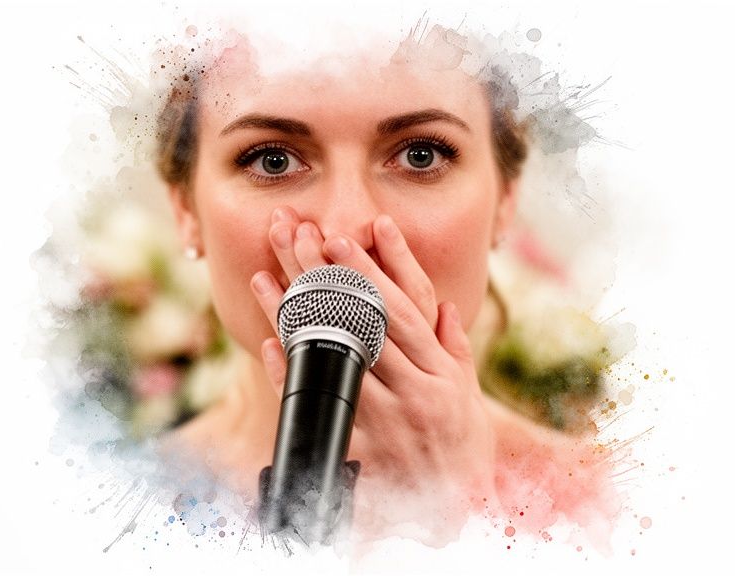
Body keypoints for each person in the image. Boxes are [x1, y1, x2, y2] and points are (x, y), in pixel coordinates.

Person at [152, 22, 617, 545]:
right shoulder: (106, 512)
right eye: (272, 159)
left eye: (422, 155)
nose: (344, 228)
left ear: (505, 201)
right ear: (186, 210)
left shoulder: (617, 516)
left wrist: (463, 513)